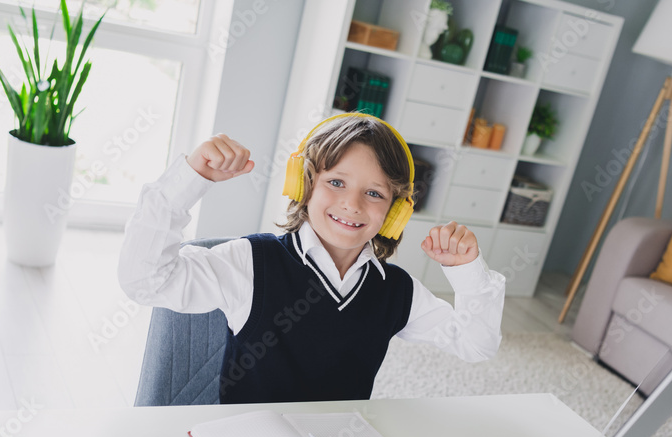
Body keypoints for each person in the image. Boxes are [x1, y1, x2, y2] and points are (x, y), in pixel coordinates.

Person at [118, 113, 505, 404]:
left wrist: (467, 271)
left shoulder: (397, 291)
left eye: (374, 193)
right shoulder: (251, 262)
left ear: (395, 211)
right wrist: (189, 180)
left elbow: (476, 345)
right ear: (303, 185)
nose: (352, 204)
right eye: (336, 182)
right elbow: (144, 280)